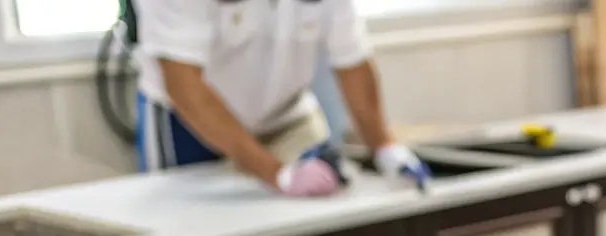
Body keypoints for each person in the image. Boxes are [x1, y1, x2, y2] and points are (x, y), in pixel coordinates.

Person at [133, 0, 428, 196]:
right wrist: (275, 173)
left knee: (316, 221)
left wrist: (384, 148)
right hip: (188, 127)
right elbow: (184, 85)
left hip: (288, 115)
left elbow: (351, 57)